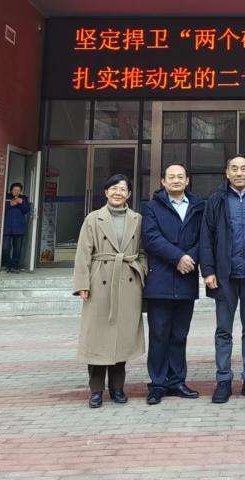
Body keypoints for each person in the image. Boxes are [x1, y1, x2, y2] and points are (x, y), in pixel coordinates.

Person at [72, 174, 147, 408]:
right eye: (113, 188)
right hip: (100, 283)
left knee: (122, 338)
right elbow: (83, 253)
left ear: (129, 194)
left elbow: (143, 251)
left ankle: (117, 388)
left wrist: (141, 269)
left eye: (123, 189)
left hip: (128, 283)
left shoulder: (137, 219)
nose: (118, 193)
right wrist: (82, 284)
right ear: (106, 192)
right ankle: (96, 390)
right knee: (97, 338)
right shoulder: (94, 219)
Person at [200, 155, 245, 404]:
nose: (239, 173)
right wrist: (208, 271)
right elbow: (206, 238)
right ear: (227, 173)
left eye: (243, 169)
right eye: (234, 169)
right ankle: (223, 381)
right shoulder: (216, 200)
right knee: (223, 331)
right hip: (224, 276)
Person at [141, 163, 205, 405]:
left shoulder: (199, 206)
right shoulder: (151, 207)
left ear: (187, 180)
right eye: (171, 177)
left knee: (179, 334)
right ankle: (157, 384)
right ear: (163, 181)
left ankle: (177, 381)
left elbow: (205, 238)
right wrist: (178, 257)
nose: (176, 180)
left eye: (180, 177)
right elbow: (151, 238)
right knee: (159, 335)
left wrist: (191, 257)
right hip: (160, 280)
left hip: (187, 279)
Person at [2, 183, 30, 273]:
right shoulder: (6, 197)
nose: (16, 192)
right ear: (11, 190)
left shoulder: (23, 199)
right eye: (15, 190)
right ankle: (7, 265)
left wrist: (22, 202)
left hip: (19, 228)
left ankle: (15, 266)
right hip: (7, 228)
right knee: (5, 248)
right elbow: (1, 209)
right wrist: (10, 204)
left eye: (18, 190)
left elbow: (26, 210)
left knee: (17, 249)